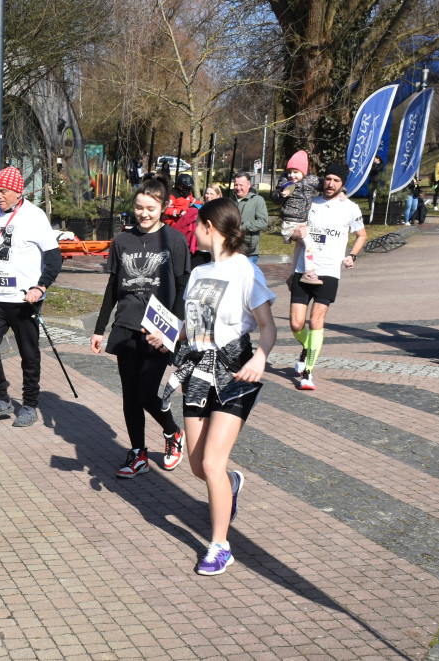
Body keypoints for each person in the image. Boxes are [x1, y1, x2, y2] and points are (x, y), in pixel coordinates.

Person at [147, 197, 276, 575]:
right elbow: (194, 327)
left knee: (211, 462)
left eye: (196, 225)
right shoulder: (200, 273)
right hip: (197, 371)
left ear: (209, 227)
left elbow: (268, 326)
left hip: (235, 372)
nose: (192, 231)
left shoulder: (246, 270)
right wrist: (168, 338)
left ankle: (220, 546)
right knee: (198, 466)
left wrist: (260, 357)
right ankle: (231, 484)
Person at [91, 175, 191, 477]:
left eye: (150, 208)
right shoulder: (122, 241)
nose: (143, 214)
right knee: (130, 394)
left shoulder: (174, 240)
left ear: (163, 207)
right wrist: (99, 328)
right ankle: (138, 453)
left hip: (159, 330)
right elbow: (112, 286)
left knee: (146, 393)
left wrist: (173, 330)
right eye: (138, 207)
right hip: (126, 324)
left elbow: (183, 287)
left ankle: (173, 432)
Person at [0, 166, 62, 428]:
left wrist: (40, 288)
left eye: (3, 191)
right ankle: (1, 399)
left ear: (18, 192)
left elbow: (54, 260)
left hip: (24, 300)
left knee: (28, 354)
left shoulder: (34, 216)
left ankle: (30, 405)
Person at [288, 163, 367, 391]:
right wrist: (294, 241)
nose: (330, 184)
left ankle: (308, 372)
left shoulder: (350, 208)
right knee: (296, 324)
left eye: (336, 181)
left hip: (329, 272)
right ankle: (308, 347)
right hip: (303, 270)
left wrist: (352, 255)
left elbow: (362, 235)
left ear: (342, 184)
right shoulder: (310, 203)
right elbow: (296, 237)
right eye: (328, 179)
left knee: (316, 322)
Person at [276, 150, 322, 284]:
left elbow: (326, 185)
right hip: (290, 223)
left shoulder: (311, 180)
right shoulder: (285, 181)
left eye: (295, 172)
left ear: (304, 171)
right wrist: (281, 194)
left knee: (299, 249)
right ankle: (308, 272)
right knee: (310, 244)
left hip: (303, 222)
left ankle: (292, 276)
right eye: (290, 171)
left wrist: (342, 191)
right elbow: (275, 197)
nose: (292, 175)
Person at [232, 172, 268, 265]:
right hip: (232, 249)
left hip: (250, 252)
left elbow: (263, 222)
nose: (238, 188)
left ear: (249, 185)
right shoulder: (230, 201)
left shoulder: (258, 200)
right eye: (236, 185)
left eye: (241, 185)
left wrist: (243, 226)